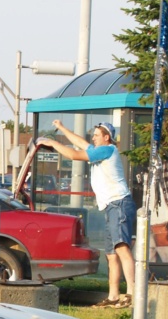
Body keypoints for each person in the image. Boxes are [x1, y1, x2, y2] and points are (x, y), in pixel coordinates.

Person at [37, 120, 136, 308]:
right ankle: (113, 296)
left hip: (119, 204)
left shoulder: (107, 150)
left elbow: (74, 154)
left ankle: (132, 293)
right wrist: (62, 127)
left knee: (121, 248)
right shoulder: (99, 150)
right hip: (110, 205)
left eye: (97, 135)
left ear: (107, 137)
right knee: (111, 254)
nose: (94, 137)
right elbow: (81, 143)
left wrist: (53, 143)